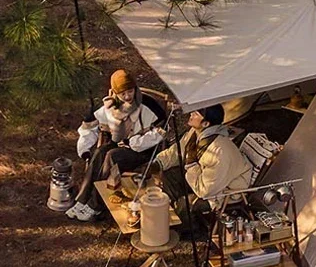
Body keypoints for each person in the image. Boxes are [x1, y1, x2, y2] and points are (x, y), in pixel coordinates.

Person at [67, 70, 166, 221]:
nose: (127, 97)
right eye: (123, 93)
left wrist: (131, 142)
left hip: (143, 149)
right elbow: (89, 127)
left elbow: (160, 134)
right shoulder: (111, 105)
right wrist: (85, 150)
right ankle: (82, 200)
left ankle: (96, 205)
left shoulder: (149, 105)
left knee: (112, 156)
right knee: (100, 152)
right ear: (115, 93)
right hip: (119, 144)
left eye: (130, 91)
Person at [153, 104, 252, 227]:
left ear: (206, 124)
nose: (191, 114)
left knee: (187, 204)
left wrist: (191, 163)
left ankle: (187, 229)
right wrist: (158, 163)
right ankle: (170, 210)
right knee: (170, 175)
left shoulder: (219, 152)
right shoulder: (196, 133)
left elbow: (205, 191)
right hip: (203, 178)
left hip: (224, 191)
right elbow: (178, 151)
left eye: (196, 113)